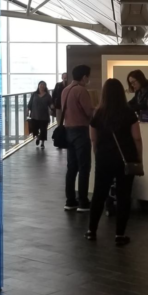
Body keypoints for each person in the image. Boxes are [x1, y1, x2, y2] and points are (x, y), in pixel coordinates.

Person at [84, 78, 143, 247]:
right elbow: (137, 138)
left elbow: (93, 139)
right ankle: (119, 234)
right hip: (126, 159)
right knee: (124, 196)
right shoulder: (129, 113)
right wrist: (139, 158)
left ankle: (91, 231)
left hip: (104, 158)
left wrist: (98, 154)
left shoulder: (98, 113)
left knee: (99, 195)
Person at [62, 65, 94, 212]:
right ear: (84, 77)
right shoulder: (81, 90)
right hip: (81, 131)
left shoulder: (65, 90)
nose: (89, 79)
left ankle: (70, 200)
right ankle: (83, 201)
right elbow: (89, 112)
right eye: (88, 76)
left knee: (72, 167)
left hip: (68, 131)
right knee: (84, 167)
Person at [28, 81, 53, 149]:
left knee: (43, 130)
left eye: (43, 85)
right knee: (34, 129)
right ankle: (38, 137)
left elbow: (51, 104)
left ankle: (42, 143)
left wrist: (52, 107)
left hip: (44, 116)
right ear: (38, 86)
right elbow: (30, 104)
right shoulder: (34, 94)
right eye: (41, 85)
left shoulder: (47, 95)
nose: (42, 86)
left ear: (45, 86)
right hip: (34, 115)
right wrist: (27, 110)